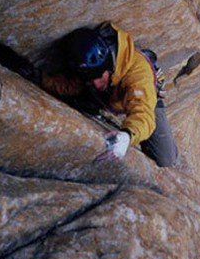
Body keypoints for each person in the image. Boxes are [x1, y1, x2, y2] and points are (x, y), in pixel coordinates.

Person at [40, 22, 178, 167]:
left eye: (100, 77)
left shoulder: (138, 75)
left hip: (146, 98)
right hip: (115, 95)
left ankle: (157, 143)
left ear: (108, 66)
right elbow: (71, 85)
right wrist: (40, 77)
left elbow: (143, 113)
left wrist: (127, 135)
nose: (96, 84)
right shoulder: (94, 67)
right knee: (85, 96)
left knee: (166, 158)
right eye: (91, 80)